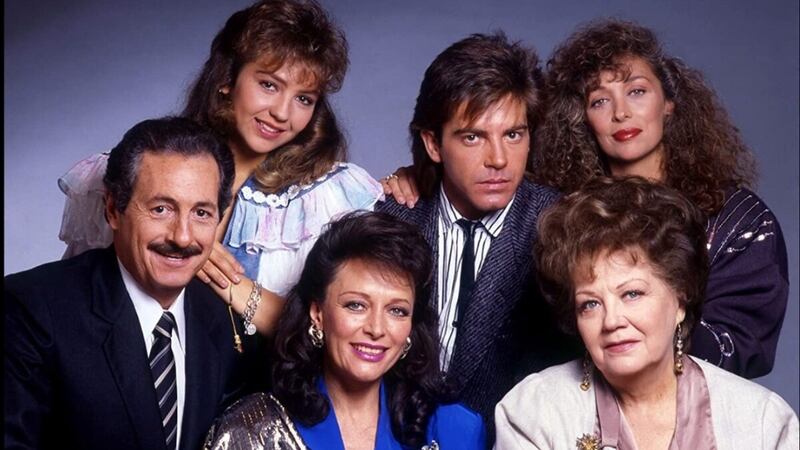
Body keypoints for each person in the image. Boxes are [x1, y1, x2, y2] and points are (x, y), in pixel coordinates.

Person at [57, 0, 383, 336]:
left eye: (304, 99)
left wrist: (227, 280)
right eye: (269, 85)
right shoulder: (138, 170)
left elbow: (336, 332)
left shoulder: (324, 199)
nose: (282, 113)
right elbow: (75, 301)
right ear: (228, 79)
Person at [529, 19, 788, 378]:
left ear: (668, 103)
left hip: (702, 405)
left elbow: (741, 347)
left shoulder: (739, 219)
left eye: (636, 91)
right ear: (582, 119)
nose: (621, 113)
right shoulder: (558, 217)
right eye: (600, 101)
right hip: (577, 404)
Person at [5, 117, 264, 450]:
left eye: (201, 213)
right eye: (161, 209)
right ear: (113, 210)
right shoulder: (31, 309)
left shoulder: (225, 321)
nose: (182, 237)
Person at [495, 177, 798, 449]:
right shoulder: (534, 412)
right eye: (590, 304)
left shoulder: (762, 421)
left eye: (632, 294)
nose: (612, 321)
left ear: (680, 301)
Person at [376, 32, 579, 432]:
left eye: (513, 134)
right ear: (433, 144)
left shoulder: (560, 226)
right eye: (473, 137)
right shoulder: (392, 216)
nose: (498, 159)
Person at [203, 211, 486, 450]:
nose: (376, 329)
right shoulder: (253, 430)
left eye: (397, 310)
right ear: (318, 314)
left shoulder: (455, 428)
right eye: (356, 305)